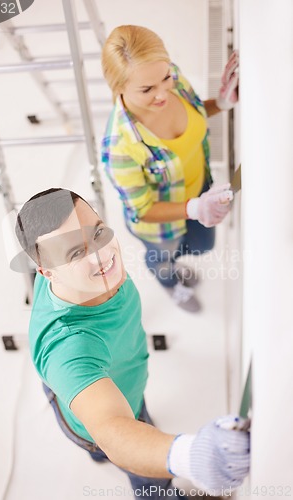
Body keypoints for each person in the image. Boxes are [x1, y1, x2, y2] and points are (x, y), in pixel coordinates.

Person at [14, 187, 250, 500]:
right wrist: (188, 454)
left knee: (136, 416)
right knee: (148, 480)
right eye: (75, 253)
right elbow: (113, 429)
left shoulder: (79, 274)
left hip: (125, 385)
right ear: (46, 273)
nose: (100, 254)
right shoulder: (69, 349)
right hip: (95, 408)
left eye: (97, 232)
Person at [101, 25, 239, 312]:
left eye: (165, 78)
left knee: (202, 246)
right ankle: (170, 283)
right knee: (161, 258)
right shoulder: (120, 147)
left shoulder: (167, 75)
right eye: (147, 89)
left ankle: (174, 263)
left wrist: (222, 104)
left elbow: (195, 111)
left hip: (197, 190)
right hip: (160, 225)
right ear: (119, 88)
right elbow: (142, 209)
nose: (163, 92)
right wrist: (193, 208)